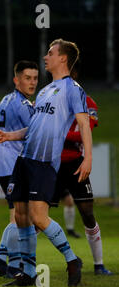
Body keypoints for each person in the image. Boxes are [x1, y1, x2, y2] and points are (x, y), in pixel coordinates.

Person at [0, 38, 92, 287]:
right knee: (22, 217)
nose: (46, 56)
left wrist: (88, 157)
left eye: (50, 53)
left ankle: (72, 259)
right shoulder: (46, 90)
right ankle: (27, 272)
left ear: (62, 58)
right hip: (24, 159)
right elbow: (33, 126)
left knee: (39, 217)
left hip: (44, 162)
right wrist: (9, 135)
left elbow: (83, 123)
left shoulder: (73, 88)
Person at [50, 88, 113, 275]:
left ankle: (99, 265)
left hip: (77, 164)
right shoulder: (52, 97)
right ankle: (26, 264)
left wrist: (61, 133)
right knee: (38, 214)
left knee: (87, 213)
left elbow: (86, 133)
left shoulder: (89, 103)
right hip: (53, 164)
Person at [0, 61, 38, 278]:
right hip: (16, 165)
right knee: (24, 218)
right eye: (28, 78)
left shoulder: (4, 100)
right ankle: (8, 262)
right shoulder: (23, 105)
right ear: (17, 79)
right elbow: (36, 131)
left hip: (4, 165)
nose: (33, 82)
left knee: (19, 216)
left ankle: (6, 262)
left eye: (35, 78)